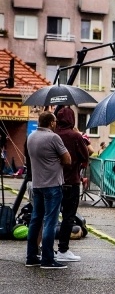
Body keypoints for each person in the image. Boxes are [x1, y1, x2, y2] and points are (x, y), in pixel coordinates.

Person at [25, 111, 71, 269]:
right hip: (52, 185)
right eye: (55, 121)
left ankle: (31, 256)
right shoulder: (53, 137)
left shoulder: (31, 137)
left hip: (37, 184)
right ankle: (48, 259)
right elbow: (67, 159)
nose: (56, 123)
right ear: (51, 123)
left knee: (35, 220)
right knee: (50, 222)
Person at [54, 107, 89, 263]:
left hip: (53, 181)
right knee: (68, 217)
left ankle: (47, 249)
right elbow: (85, 155)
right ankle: (63, 249)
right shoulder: (75, 136)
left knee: (50, 216)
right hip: (71, 181)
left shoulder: (53, 135)